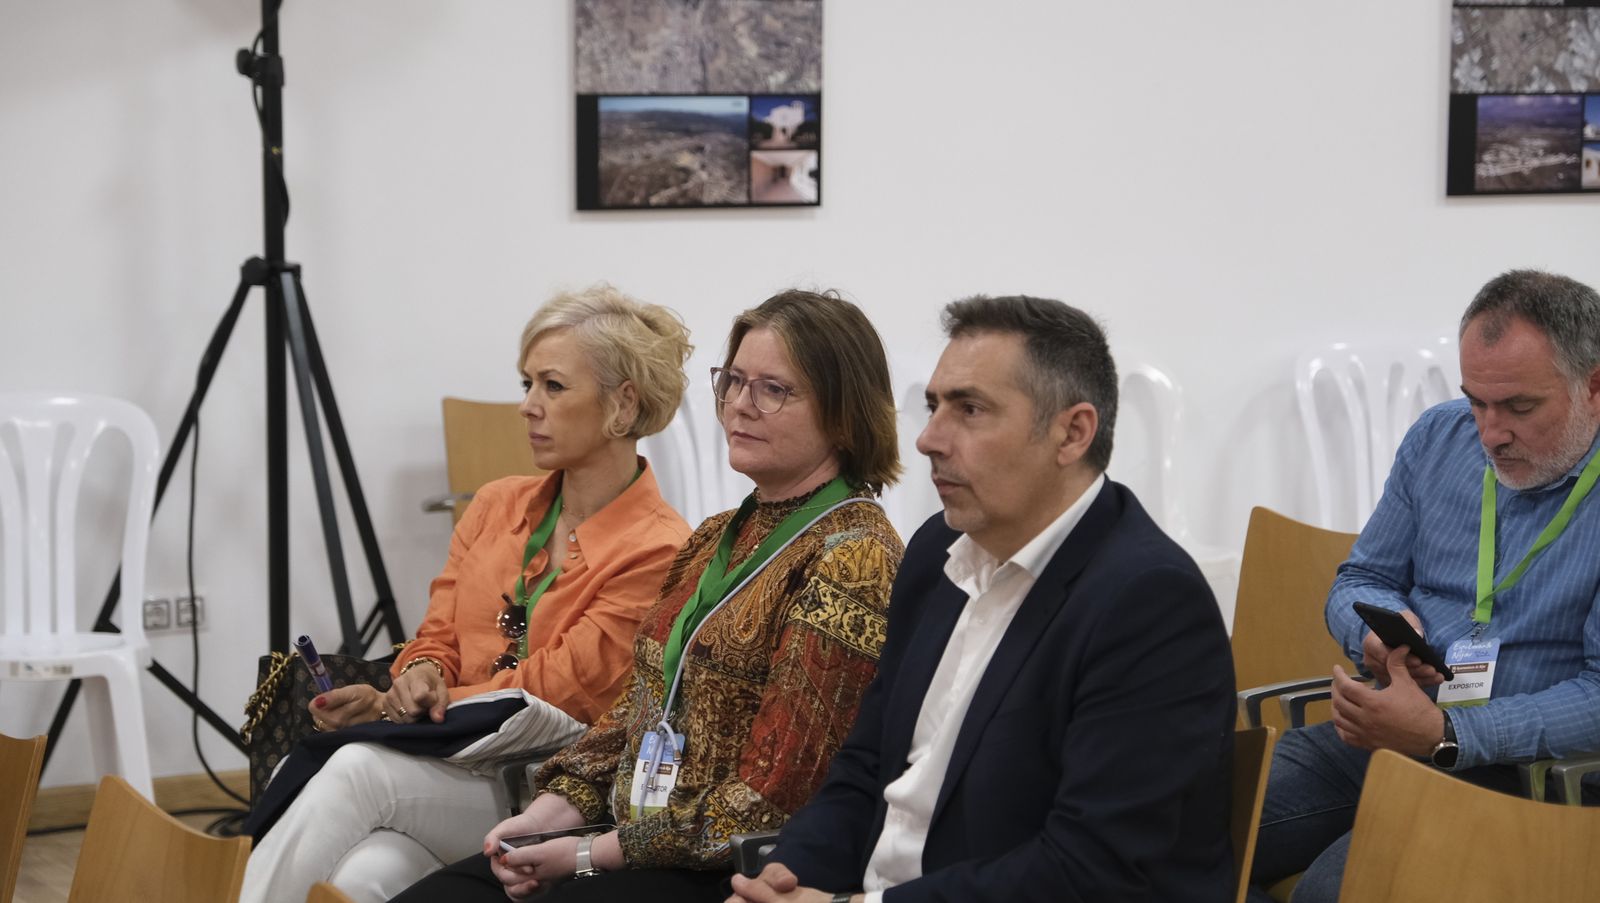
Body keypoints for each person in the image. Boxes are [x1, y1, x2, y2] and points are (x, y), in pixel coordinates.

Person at [389, 289, 905, 903]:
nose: (740, 405)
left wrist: (585, 852)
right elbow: (635, 710)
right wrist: (548, 816)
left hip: (732, 867)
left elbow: (771, 797)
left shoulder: (853, 557)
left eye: (773, 389)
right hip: (630, 834)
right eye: (733, 381)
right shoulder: (717, 533)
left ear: (844, 413)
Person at [730, 295, 1236, 903]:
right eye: (933, 406)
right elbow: (865, 770)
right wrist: (784, 879)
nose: (927, 439)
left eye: (970, 410)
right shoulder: (935, 552)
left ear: (1072, 433)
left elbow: (1090, 870)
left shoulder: (1148, 603)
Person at [240, 284, 695, 903]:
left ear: (622, 407)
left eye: (552, 387)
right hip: (444, 766)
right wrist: (420, 673)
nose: (528, 406)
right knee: (364, 876)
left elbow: (556, 690)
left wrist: (389, 708)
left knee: (357, 770)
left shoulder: (660, 549)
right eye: (525, 384)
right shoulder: (496, 503)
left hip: (546, 795)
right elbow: (436, 635)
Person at [1246, 269, 1600, 903]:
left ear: (1594, 387)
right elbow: (1364, 577)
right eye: (1476, 401)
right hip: (1391, 732)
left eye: (1519, 407)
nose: (1490, 433)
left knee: (1337, 893)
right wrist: (1380, 633)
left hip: (1531, 776)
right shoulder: (1440, 438)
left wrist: (1449, 735)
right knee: (1176, 824)